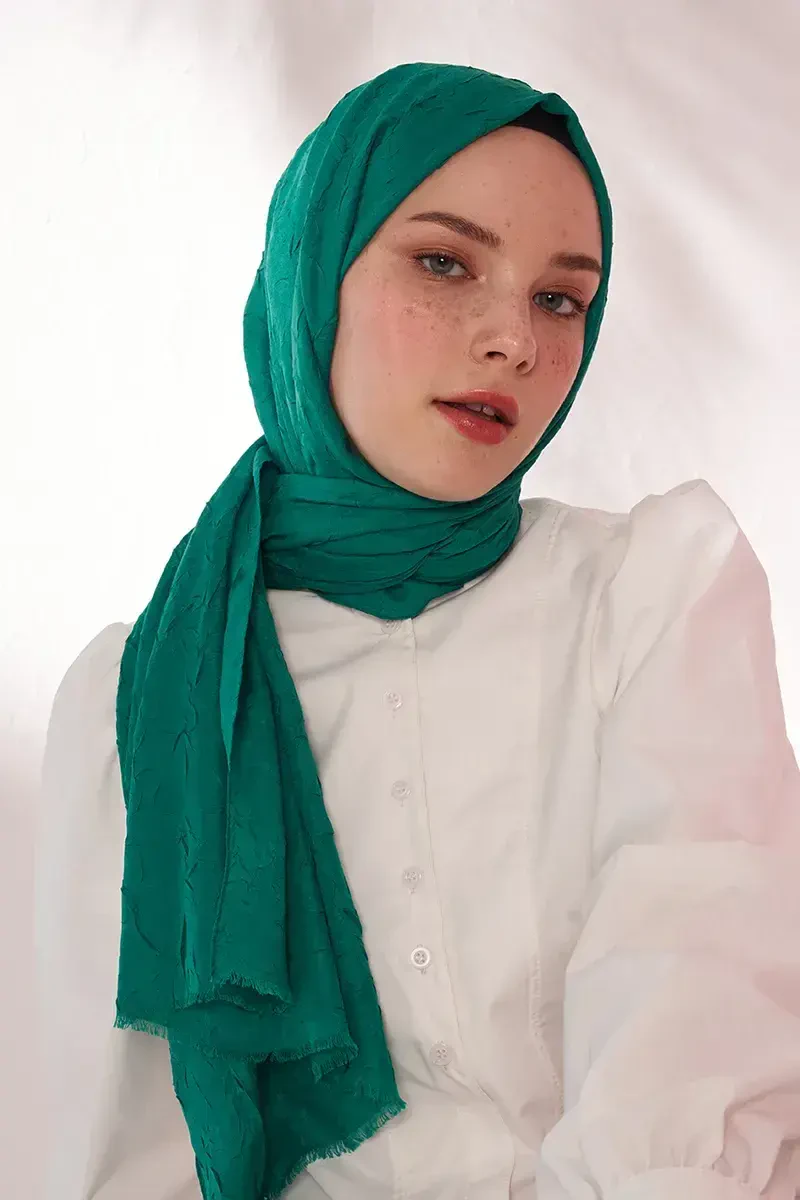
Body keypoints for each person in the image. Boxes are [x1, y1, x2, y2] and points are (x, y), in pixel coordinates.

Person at [36, 61, 800, 1200]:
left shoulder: (649, 597)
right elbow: (128, 1149)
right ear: (314, 271)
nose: (515, 341)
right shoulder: (140, 698)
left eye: (561, 298)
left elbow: (697, 1022)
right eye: (445, 263)